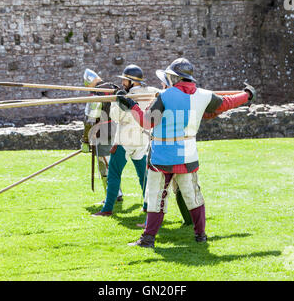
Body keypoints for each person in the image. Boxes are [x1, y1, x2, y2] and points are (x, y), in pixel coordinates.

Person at [116, 58, 256, 247]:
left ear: (174, 77)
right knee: (193, 196)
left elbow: (147, 122)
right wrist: (246, 95)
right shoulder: (204, 95)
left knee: (156, 196)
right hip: (188, 153)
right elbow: (227, 103)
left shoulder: (165, 96)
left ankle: (148, 239)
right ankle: (200, 236)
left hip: (162, 155)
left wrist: (132, 106)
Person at [92, 65, 159, 217]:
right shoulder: (150, 92)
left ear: (132, 82)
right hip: (143, 139)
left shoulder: (126, 97)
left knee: (114, 174)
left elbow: (115, 116)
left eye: (125, 80)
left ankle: (107, 209)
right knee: (143, 174)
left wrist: (117, 100)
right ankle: (147, 205)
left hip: (125, 140)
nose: (122, 83)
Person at [81, 69, 123, 203]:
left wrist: (85, 140)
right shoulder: (113, 88)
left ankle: (112, 196)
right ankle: (117, 193)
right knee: (111, 164)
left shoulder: (97, 94)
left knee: (104, 165)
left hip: (102, 133)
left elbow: (90, 120)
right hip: (116, 130)